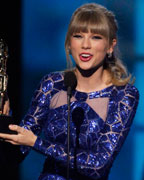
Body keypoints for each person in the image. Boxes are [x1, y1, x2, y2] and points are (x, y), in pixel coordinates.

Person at [0, 3, 139, 180]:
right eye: (78, 36)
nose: (85, 45)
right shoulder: (52, 84)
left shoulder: (123, 95)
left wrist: (36, 142)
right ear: (68, 43)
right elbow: (15, 155)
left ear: (111, 46)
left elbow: (98, 165)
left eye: (96, 37)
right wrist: (5, 120)